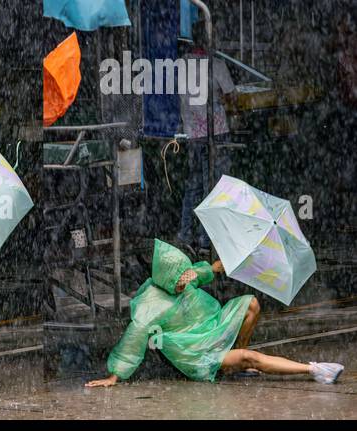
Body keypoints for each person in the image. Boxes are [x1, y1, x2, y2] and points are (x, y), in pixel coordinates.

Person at [86, 239, 343, 388]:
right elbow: (132, 340)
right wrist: (113, 376)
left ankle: (235, 366)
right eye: (180, 282)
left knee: (251, 302)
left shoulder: (184, 277)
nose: (185, 284)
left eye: (186, 278)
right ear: (166, 279)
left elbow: (211, 268)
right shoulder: (150, 305)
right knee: (248, 357)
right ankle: (314, 370)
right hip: (196, 351)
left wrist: (241, 257)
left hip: (213, 326)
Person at [176, 32, 236, 252]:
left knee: (193, 185)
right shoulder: (217, 65)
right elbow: (231, 96)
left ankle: (185, 234)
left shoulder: (180, 66)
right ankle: (205, 240)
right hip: (216, 132)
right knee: (214, 187)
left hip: (192, 133)